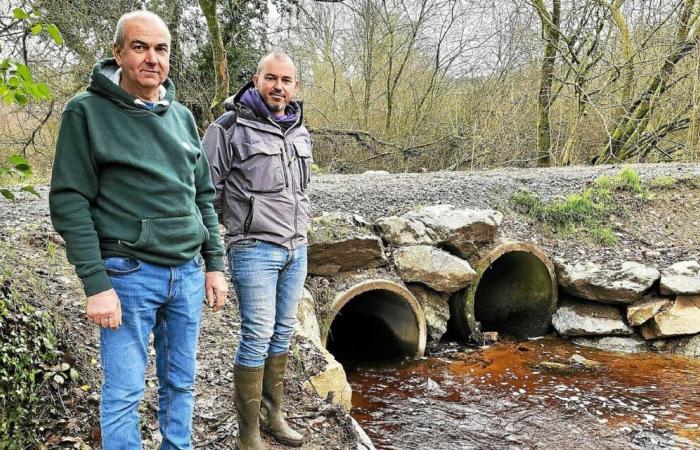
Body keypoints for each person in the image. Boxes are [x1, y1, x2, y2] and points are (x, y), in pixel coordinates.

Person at [49, 10, 228, 450]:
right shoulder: (85, 112)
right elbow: (69, 201)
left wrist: (214, 264)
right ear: (117, 52)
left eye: (161, 49)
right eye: (140, 47)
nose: (153, 58)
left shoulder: (182, 117)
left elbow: (202, 194)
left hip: (186, 274)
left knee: (181, 386)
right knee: (124, 394)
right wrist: (96, 284)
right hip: (127, 274)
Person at [203, 52, 312, 449]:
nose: (278, 86)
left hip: (296, 248)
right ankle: (247, 434)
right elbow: (205, 192)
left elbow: (301, 190)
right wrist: (229, 235)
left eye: (286, 80)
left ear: (295, 86)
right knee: (257, 334)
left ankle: (273, 415)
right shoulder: (228, 127)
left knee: (283, 331)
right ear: (255, 80)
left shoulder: (299, 129)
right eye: (271, 78)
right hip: (253, 249)